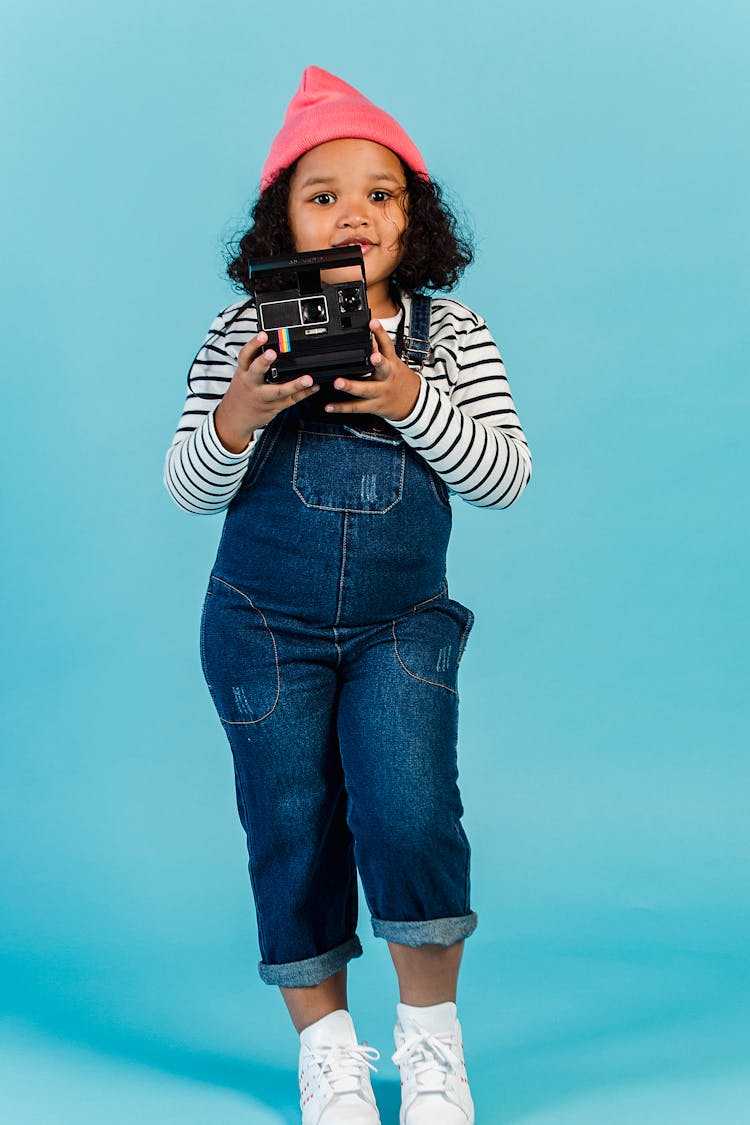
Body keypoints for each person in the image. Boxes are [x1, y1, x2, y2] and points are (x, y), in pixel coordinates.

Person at [164, 65, 532, 1125]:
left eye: (381, 192)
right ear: (281, 218)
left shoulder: (452, 339)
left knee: (412, 813)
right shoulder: (237, 339)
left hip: (400, 629)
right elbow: (189, 489)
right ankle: (326, 1051)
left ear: (415, 219)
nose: (353, 214)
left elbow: (503, 477)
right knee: (289, 825)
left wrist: (413, 398)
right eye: (322, 194)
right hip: (260, 631)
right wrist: (240, 411)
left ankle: (432, 1047)